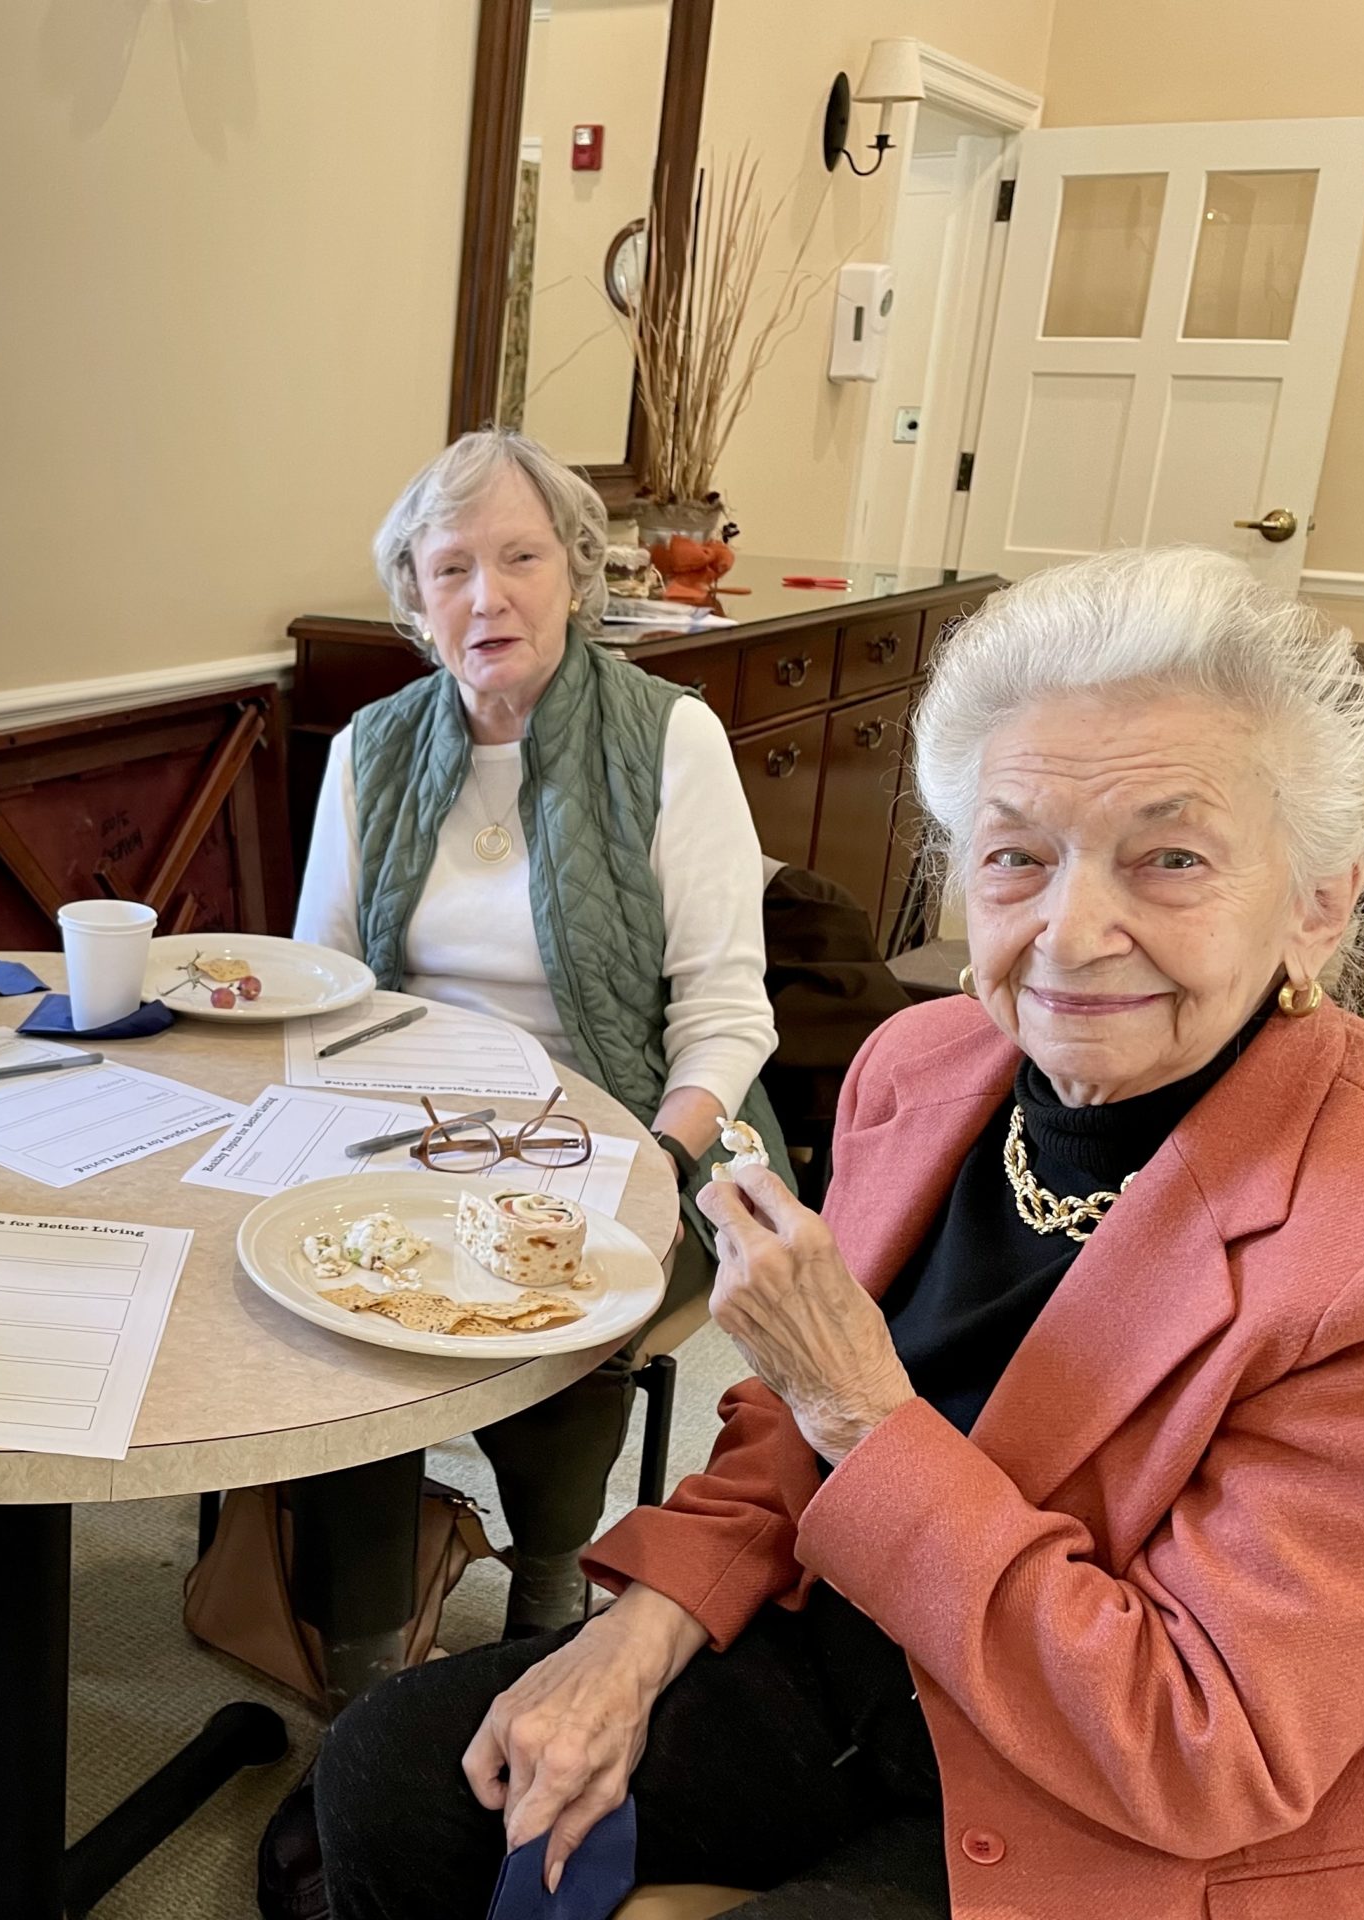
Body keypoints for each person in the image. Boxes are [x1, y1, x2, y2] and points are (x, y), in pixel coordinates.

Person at [311, 546, 1364, 1918]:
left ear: (1318, 902)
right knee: (395, 1777)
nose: (1071, 932)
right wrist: (640, 1633)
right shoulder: (923, 1067)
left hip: (1106, 1793)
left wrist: (861, 1407)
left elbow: (1198, 1744)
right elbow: (783, 1429)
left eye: (1171, 859)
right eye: (1017, 856)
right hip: (853, 1647)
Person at [289, 429, 784, 1656]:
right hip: (415, 1127)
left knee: (562, 1271)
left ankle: (551, 1574)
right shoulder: (369, 749)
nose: (487, 596)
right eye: (450, 567)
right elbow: (323, 989)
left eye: (520, 558)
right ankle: (362, 1648)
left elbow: (726, 1013)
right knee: (340, 1292)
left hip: (639, 1119)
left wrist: (650, 1165)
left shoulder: (669, 740)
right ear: (415, 597)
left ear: (574, 572)